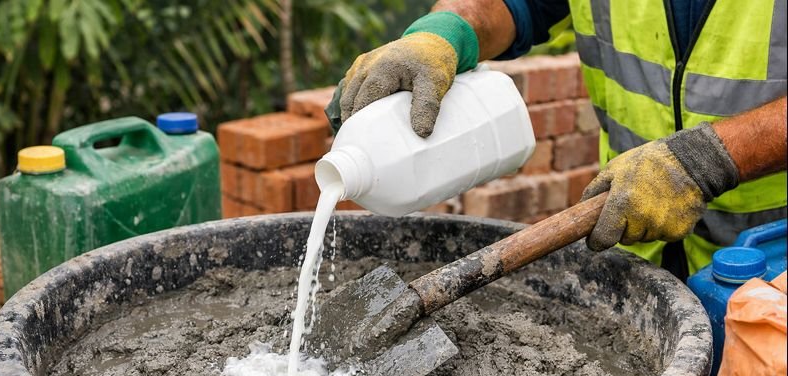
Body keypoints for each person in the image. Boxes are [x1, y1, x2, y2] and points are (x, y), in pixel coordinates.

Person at [327, 0, 787, 280]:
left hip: (772, 260)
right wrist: (443, 33)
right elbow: (510, 5)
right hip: (637, 236)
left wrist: (707, 159)